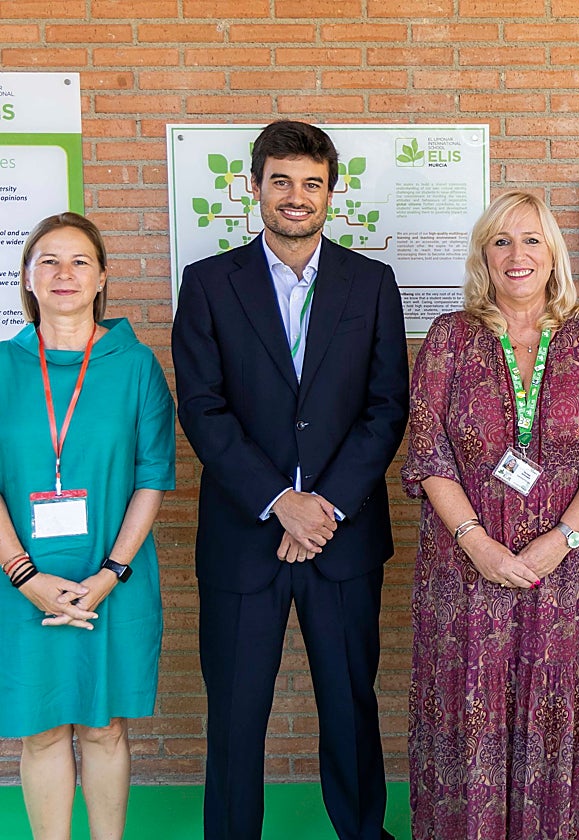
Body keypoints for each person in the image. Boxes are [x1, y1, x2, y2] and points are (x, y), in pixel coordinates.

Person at [172, 121, 409, 840]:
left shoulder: (370, 284)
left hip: (342, 538)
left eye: (312, 182)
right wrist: (282, 503)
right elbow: (203, 409)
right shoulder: (210, 284)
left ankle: (363, 832)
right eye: (281, 181)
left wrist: (323, 507)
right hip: (247, 541)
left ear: (331, 192)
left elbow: (387, 406)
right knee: (237, 717)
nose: (296, 196)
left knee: (349, 706)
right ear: (255, 188)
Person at [401, 190, 579, 840]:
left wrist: (559, 542)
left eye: (531, 240)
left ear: (553, 254)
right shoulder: (449, 339)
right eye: (502, 241)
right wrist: (479, 545)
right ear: (484, 255)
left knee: (563, 713)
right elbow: (429, 455)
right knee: (470, 717)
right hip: (466, 582)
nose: (517, 254)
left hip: (571, 582)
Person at [0, 212, 175, 839]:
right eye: (48, 260)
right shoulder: (2, 365)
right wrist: (24, 574)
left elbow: (153, 476)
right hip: (20, 580)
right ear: (26, 277)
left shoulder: (135, 366)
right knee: (42, 729)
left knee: (104, 726)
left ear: (102, 276)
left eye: (79, 261)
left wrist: (111, 572)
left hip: (114, 579)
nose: (64, 273)